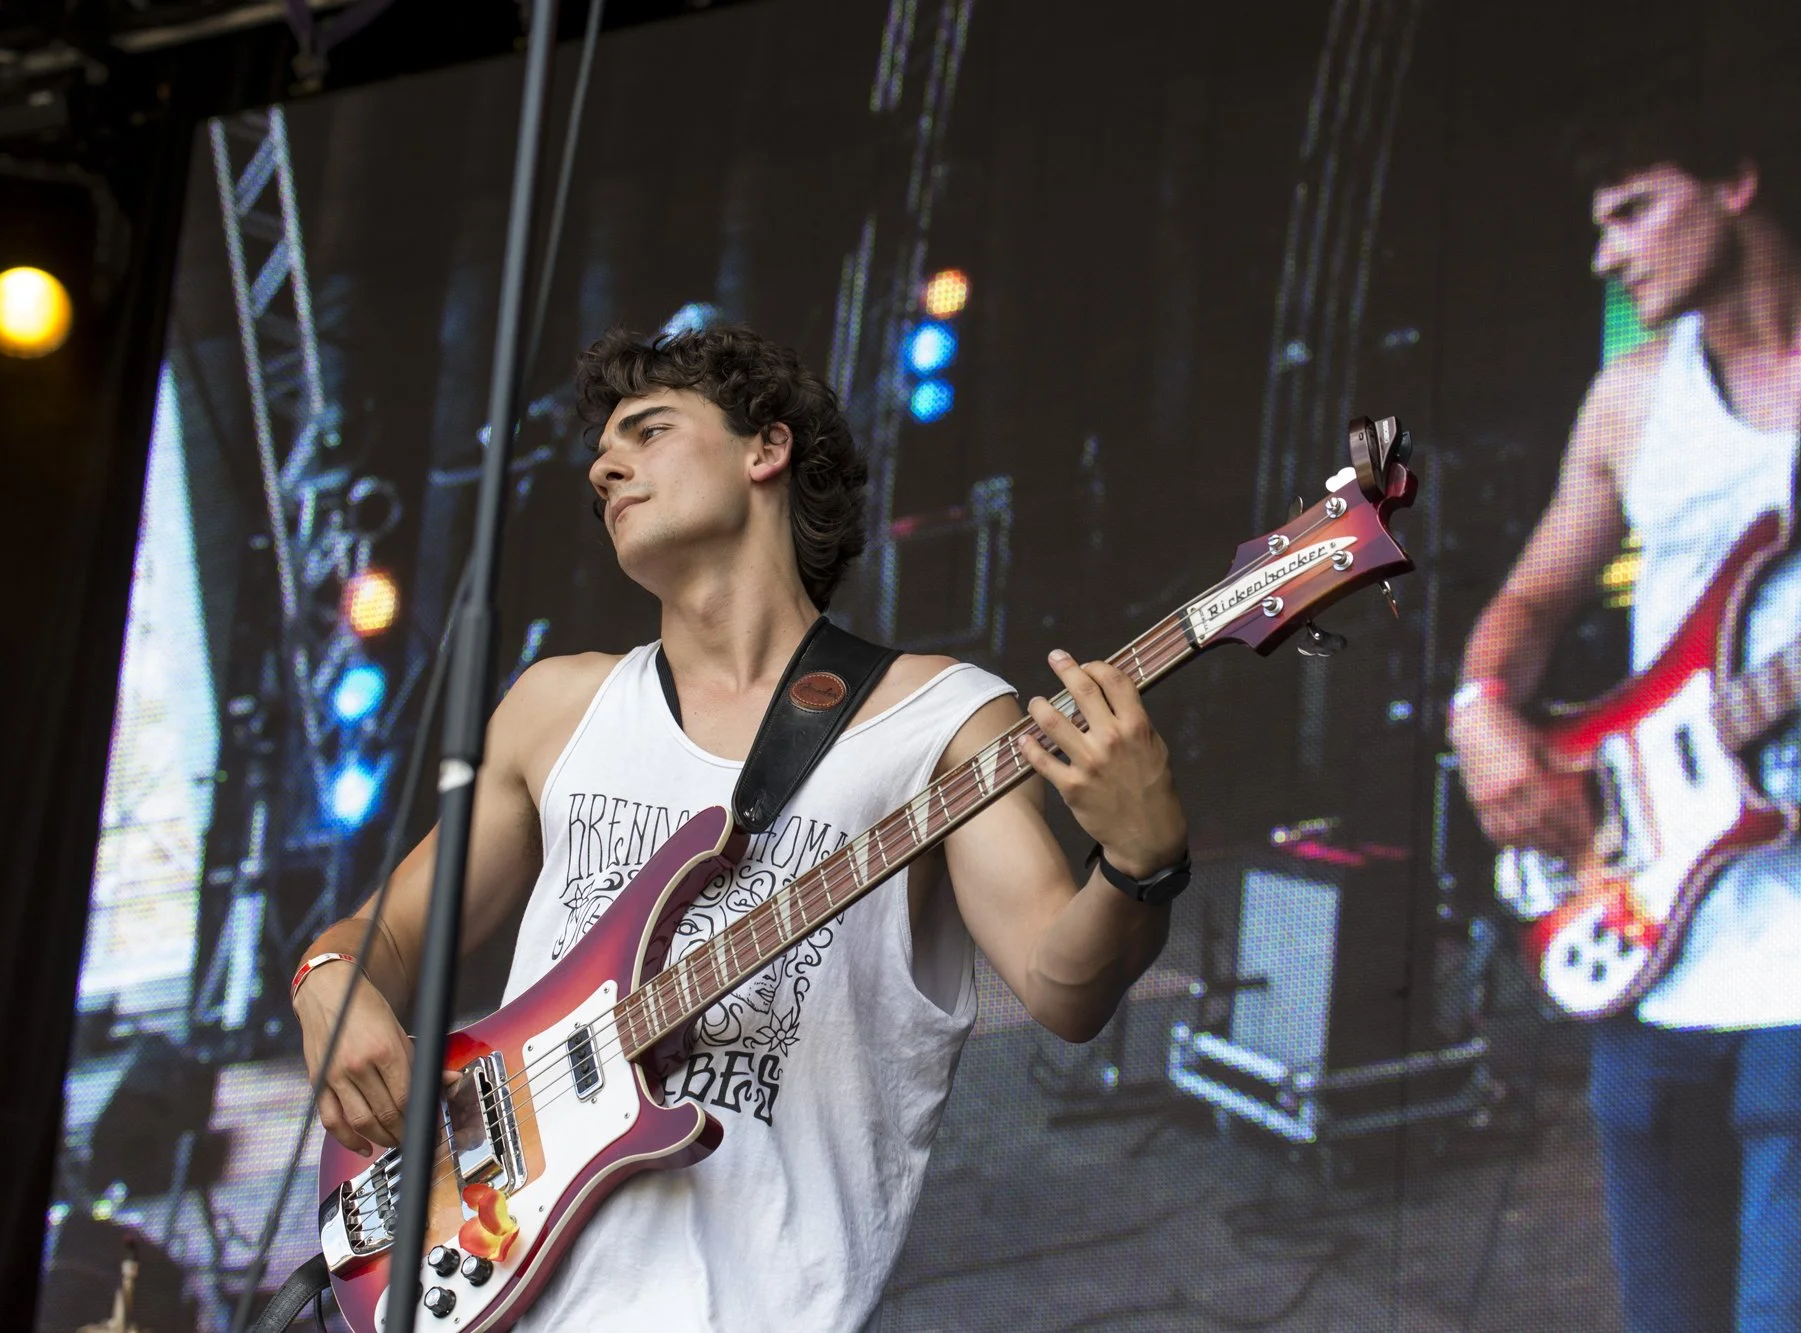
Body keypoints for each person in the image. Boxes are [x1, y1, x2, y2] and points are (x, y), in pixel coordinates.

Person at [288, 327, 1192, 1329]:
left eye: (647, 430)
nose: (603, 466)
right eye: (601, 450)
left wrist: (1140, 863)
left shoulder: (939, 719)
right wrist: (326, 983)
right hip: (495, 1277)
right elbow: (382, 936)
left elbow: (1064, 987)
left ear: (765, 448)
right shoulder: (555, 707)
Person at [1448, 93, 1801, 1333]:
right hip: (1651, 944)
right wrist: (1480, 708)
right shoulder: (1629, 397)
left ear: (1736, 181)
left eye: (1631, 210)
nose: (1604, 254)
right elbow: (1530, 597)